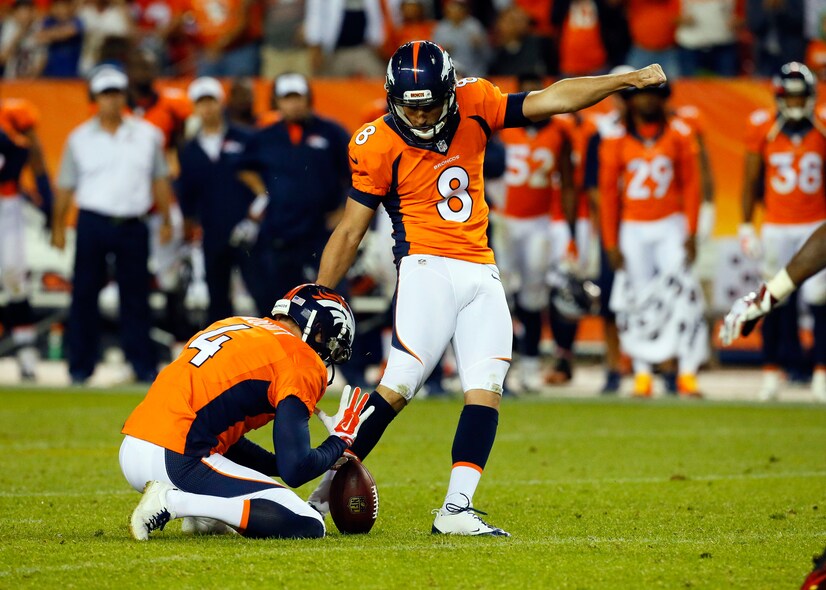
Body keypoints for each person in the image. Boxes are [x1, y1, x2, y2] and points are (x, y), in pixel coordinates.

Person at [308, 40, 666, 535]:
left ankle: (456, 509)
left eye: (431, 103)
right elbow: (351, 230)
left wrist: (622, 80)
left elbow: (555, 98)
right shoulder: (375, 142)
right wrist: (320, 297)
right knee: (402, 381)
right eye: (412, 106)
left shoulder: (476, 100)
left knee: (487, 387)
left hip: (481, 267)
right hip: (425, 265)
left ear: (450, 91)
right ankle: (317, 495)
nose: (422, 116)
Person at [119, 283, 373, 540]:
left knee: (218, 447)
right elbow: (295, 471)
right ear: (318, 332)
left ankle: (205, 515)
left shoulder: (235, 324)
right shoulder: (301, 359)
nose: (327, 355)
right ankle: (176, 503)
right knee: (309, 523)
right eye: (331, 344)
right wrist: (340, 439)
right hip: (175, 457)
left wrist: (277, 464)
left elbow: (222, 434)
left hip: (134, 448)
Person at [52, 65, 173, 385]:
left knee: (135, 297)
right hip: (92, 220)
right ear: (96, 98)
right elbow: (66, 185)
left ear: (124, 96)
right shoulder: (79, 138)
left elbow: (160, 180)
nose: (111, 99)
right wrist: (59, 226)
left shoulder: (148, 135)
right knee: (84, 295)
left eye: (116, 93)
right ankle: (80, 367)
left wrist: (166, 219)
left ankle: (142, 365)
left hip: (133, 223)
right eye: (105, 93)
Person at [598, 80, 706, 397]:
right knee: (637, 300)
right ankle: (642, 374)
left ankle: (686, 372)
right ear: (631, 101)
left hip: (670, 223)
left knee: (684, 296)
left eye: (653, 95)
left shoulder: (680, 133)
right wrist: (610, 241)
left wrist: (692, 230)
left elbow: (691, 185)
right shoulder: (615, 138)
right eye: (641, 95)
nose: (646, 102)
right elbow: (607, 195)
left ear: (662, 100)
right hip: (632, 226)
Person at [739, 62, 826, 401]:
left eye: (799, 97)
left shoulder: (821, 125)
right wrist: (747, 224)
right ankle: (771, 371)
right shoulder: (762, 127)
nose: (793, 104)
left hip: (815, 226)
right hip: (776, 225)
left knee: (820, 302)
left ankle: (820, 371)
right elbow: (749, 179)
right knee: (771, 300)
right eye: (788, 98)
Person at [237, 72, 350, 316]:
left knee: (332, 295)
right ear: (276, 102)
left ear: (308, 98)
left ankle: (347, 354)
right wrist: (261, 190)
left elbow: (356, 175)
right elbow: (242, 167)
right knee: (282, 301)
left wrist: (343, 212)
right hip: (281, 231)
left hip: (322, 231)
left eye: (298, 97)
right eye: (287, 98)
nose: (294, 103)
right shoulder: (264, 137)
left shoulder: (332, 132)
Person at [496, 73, 575, 392]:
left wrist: (569, 231)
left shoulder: (560, 132)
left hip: (539, 223)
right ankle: (498, 368)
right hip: (503, 221)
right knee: (500, 296)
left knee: (533, 297)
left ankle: (529, 366)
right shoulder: (503, 127)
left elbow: (568, 183)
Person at [177, 77, 258, 324]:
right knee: (217, 299)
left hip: (250, 231)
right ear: (194, 107)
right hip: (213, 233)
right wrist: (188, 227)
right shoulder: (189, 149)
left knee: (264, 292)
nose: (207, 108)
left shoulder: (246, 138)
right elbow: (188, 193)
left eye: (210, 101)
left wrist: (256, 219)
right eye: (201, 102)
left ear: (220, 102)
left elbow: (263, 184)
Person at [0, 95, 53, 381]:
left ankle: (27, 355)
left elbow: (36, 157)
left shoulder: (14, 114)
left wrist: (47, 200)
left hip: (7, 206)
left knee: (14, 277)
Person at [721, 222, 826, 348]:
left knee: (817, 296)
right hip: (777, 223)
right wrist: (770, 294)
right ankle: (775, 358)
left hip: (814, 219)